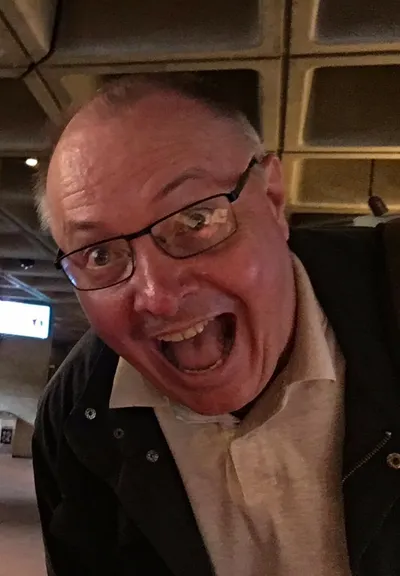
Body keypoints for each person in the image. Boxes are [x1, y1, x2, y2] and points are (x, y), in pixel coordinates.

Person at [32, 74, 400, 576]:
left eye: (195, 221)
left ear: (272, 198)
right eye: (100, 254)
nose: (158, 298)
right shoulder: (75, 419)